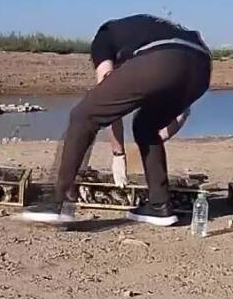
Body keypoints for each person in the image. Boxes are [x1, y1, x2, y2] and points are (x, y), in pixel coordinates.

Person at [19, 14, 213, 226]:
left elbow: (105, 103)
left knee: (82, 115)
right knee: (146, 126)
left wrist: (118, 153)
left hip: (162, 59)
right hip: (202, 67)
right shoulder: (145, 31)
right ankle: (160, 206)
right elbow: (182, 113)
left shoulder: (103, 38)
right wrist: (162, 135)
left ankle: (56, 202)